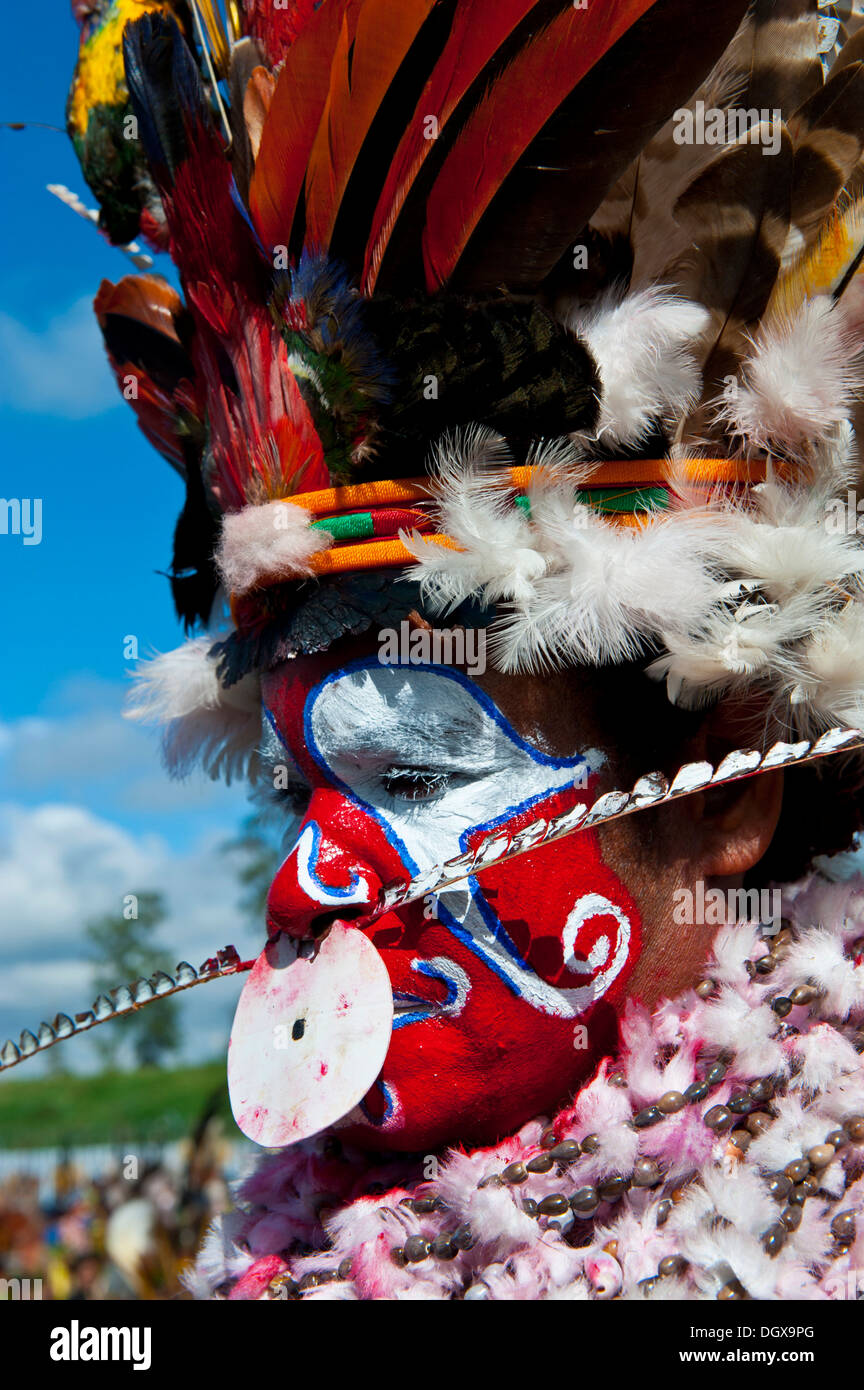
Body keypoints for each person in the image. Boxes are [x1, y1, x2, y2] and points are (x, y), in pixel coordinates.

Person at [62, 0, 864, 1299]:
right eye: (302, 791)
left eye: (418, 775)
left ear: (727, 790)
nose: (297, 886)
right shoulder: (260, 1257)